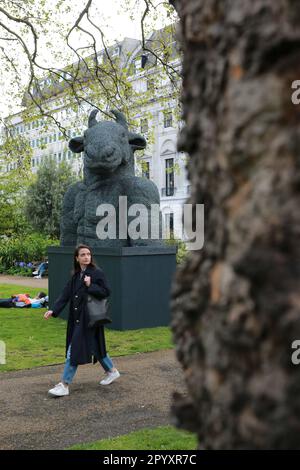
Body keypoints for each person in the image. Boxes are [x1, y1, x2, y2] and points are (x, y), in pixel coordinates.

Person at [44, 244, 120, 397]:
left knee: (74, 350)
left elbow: (106, 291)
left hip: (90, 318)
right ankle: (112, 371)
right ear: (76, 258)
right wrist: (54, 310)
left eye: (88, 254)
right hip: (77, 319)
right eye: (83, 254)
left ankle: (64, 384)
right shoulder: (76, 275)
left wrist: (90, 285)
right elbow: (65, 294)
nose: (87, 257)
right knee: (96, 346)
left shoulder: (96, 273)